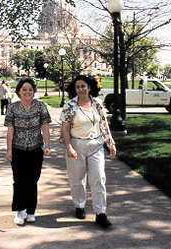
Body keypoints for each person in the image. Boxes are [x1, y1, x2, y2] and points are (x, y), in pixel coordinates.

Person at [60, 75, 116, 229]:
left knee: (98, 178)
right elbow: (65, 128)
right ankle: (79, 205)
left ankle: (100, 213)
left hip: (96, 145)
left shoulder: (97, 103)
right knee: (77, 179)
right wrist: (69, 147)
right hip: (77, 144)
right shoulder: (69, 106)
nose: (81, 89)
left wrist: (111, 142)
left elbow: (103, 124)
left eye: (83, 86)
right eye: (77, 87)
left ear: (89, 87)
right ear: (74, 89)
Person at [4, 77, 51, 225]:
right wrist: (9, 150)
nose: (27, 92)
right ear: (18, 91)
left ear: (34, 91)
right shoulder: (12, 108)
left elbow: (45, 127)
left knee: (32, 180)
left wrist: (47, 145)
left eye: (30, 89)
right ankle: (20, 210)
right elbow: (10, 130)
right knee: (19, 181)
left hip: (35, 149)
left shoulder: (40, 106)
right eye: (24, 89)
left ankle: (31, 211)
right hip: (18, 149)